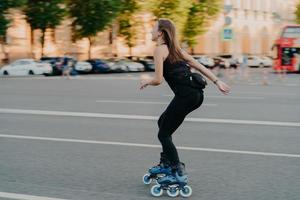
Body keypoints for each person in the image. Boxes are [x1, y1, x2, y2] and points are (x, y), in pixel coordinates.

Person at [140, 18, 230, 187]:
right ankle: (166, 163)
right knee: (163, 123)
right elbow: (198, 65)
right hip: (196, 95)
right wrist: (217, 82)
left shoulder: (159, 50)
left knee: (163, 134)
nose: (150, 32)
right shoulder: (176, 50)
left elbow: (158, 79)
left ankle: (176, 171)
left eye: (153, 29)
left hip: (186, 95)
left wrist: (147, 81)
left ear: (160, 33)